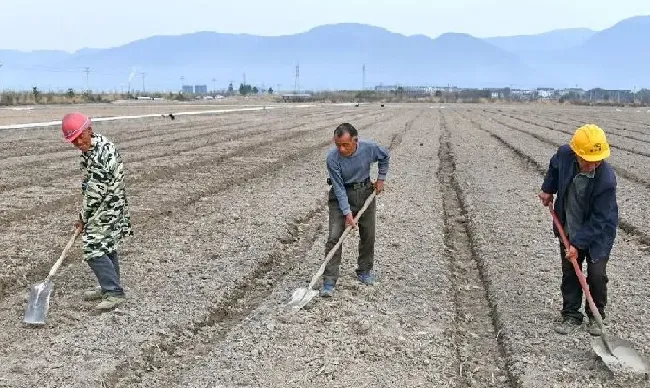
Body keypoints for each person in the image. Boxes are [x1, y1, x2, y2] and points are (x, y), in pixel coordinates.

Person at [538, 124, 618, 336]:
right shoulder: (565, 155)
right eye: (587, 161)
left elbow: (599, 219)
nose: (592, 166)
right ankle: (571, 314)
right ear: (576, 153)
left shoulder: (606, 180)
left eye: (597, 161)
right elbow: (555, 168)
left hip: (598, 231)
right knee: (570, 271)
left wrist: (578, 244)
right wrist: (548, 188)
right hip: (570, 223)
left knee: (596, 274)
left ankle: (596, 314)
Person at [61, 112, 133, 311]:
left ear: (89, 131)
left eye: (79, 138)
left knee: (93, 248)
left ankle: (113, 292)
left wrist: (83, 217)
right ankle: (109, 286)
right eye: (73, 141)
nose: (77, 144)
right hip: (105, 204)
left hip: (108, 206)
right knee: (107, 245)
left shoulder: (102, 153)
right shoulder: (92, 147)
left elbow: (95, 192)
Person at [320, 122, 390, 297]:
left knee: (368, 234)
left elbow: (385, 156)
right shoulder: (332, 158)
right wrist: (347, 213)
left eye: (346, 145)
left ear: (355, 140)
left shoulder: (369, 148)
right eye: (338, 145)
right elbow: (338, 188)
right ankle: (329, 280)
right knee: (334, 237)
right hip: (340, 196)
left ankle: (364, 271)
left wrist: (381, 179)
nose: (341, 149)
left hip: (365, 192)